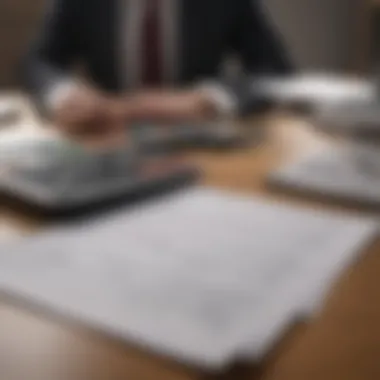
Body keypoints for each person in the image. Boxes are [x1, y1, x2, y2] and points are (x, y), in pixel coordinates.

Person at [24, 0, 292, 143]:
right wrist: (65, 94)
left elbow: (274, 70)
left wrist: (208, 99)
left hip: (197, 142)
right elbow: (40, 61)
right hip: (104, 139)